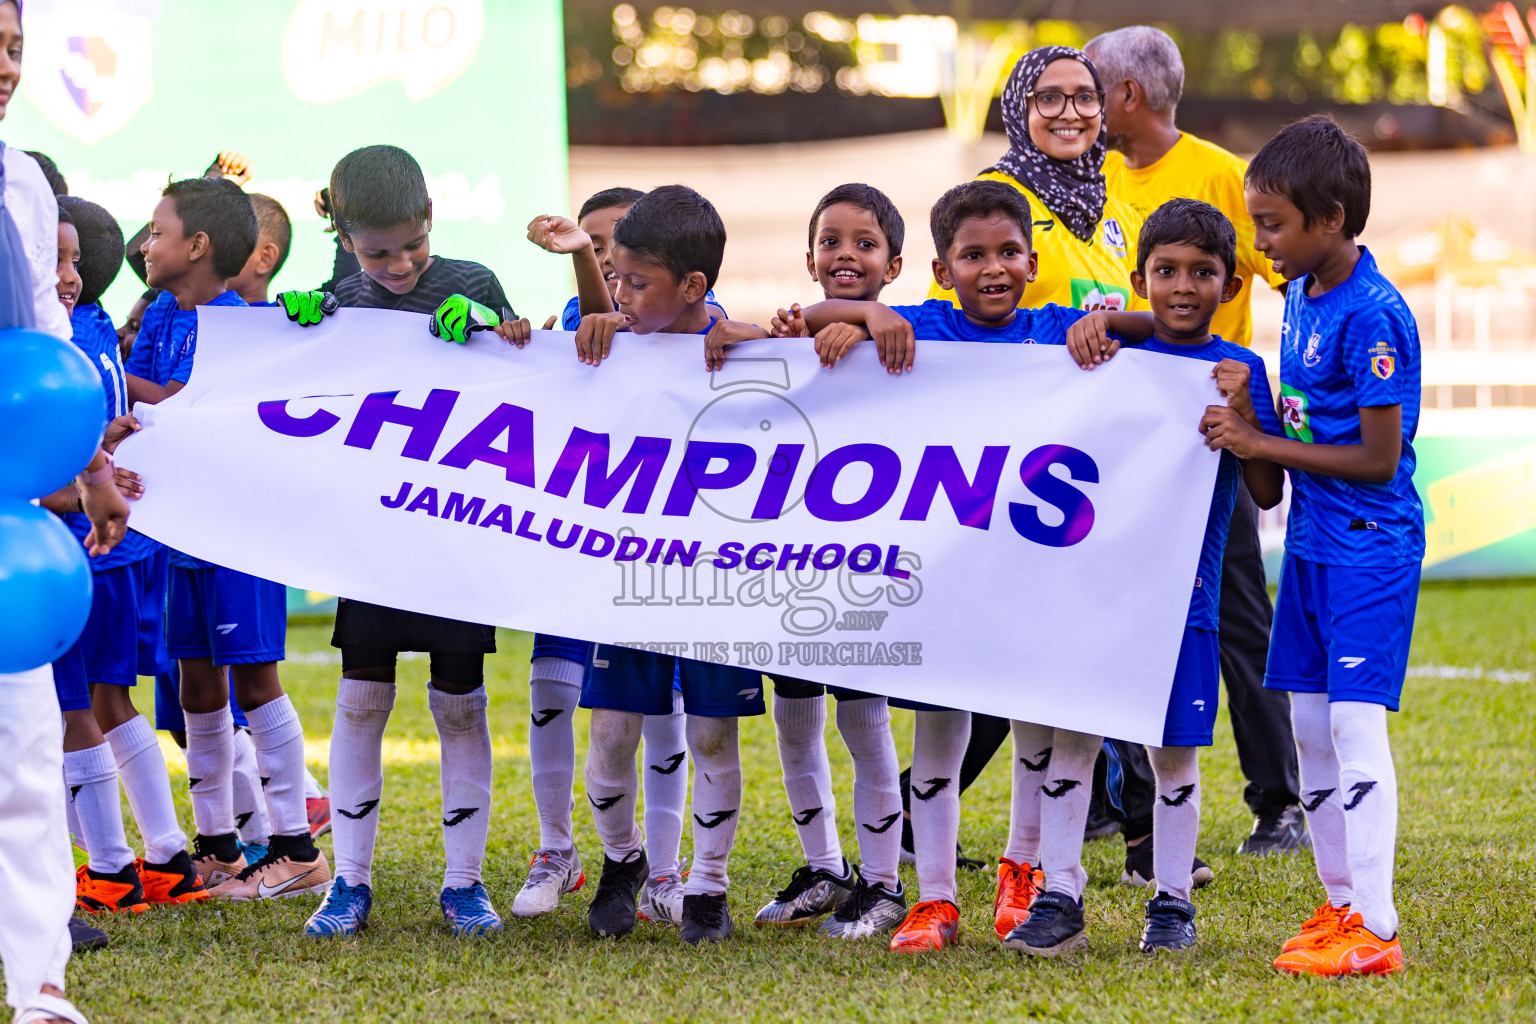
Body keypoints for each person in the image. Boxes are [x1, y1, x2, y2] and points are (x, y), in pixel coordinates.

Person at [790, 180, 1095, 952]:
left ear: (1033, 259)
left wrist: (1109, 330)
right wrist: (868, 314)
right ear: (940, 267)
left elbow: (1147, 336)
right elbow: (807, 317)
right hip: (942, 578)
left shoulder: (1055, 331)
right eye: (972, 255)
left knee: (1033, 730)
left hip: (1029, 576)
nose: (991, 269)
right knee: (938, 733)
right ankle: (934, 898)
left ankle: (1021, 871)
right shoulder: (922, 326)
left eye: (1006, 253)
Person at [1007, 198, 1283, 957]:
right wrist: (1105, 327)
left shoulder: (1238, 370)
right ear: (1139, 278)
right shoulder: (1109, 357)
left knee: (1173, 755)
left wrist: (1247, 425)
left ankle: (1171, 903)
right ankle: (1059, 895)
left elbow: (1266, 494)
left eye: (1203, 272)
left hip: (1182, 600)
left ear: (1231, 286)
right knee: (1074, 741)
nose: (1183, 286)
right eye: (1166, 271)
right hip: (1092, 595)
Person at [286, 144, 531, 940]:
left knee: (461, 708)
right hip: (374, 539)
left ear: (432, 217)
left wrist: (495, 325)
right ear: (347, 238)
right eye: (376, 251)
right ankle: (348, 884)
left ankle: (465, 886)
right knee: (361, 701)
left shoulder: (473, 282)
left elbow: (531, 370)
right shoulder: (342, 295)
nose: (396, 265)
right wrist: (298, 332)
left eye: (411, 245)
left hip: (458, 540)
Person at [1085, 24, 1306, 854]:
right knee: (1107, 607)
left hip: (1213, 432)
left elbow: (1271, 266)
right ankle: (1117, 796)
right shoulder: (1091, 178)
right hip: (1122, 432)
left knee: (1239, 614)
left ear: (1127, 95)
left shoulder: (1218, 172)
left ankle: (1278, 800)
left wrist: (1246, 387)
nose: (1080, 103)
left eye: (1090, 87)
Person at [1232, 116, 1418, 976]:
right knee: (1308, 726)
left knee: (1351, 722)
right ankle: (1339, 903)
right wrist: (1252, 411)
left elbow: (1380, 463)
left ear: (1332, 218)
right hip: (1308, 545)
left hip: (1369, 547)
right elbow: (1274, 467)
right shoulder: (1301, 295)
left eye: (1272, 223)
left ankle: (1374, 928)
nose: (1259, 240)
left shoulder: (1374, 317)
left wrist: (1263, 443)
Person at [125, 178, 331, 905]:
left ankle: (296, 850)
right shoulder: (159, 312)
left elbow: (186, 407)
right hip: (177, 533)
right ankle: (217, 847)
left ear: (198, 247)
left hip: (240, 534)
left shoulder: (251, 326)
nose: (145, 246)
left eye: (156, 232)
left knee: (253, 679)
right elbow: (153, 391)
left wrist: (120, 391)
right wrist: (133, 392)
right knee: (195, 683)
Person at [572, 184, 767, 946]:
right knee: (613, 731)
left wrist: (752, 340)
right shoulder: (604, 339)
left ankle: (708, 885)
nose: (618, 293)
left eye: (633, 281)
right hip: (625, 573)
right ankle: (623, 862)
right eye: (613, 276)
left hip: (715, 578)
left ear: (693, 286)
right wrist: (574, 326)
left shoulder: (743, 346)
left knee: (715, 735)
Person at [515, 186, 698, 924]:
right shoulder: (571, 328)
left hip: (652, 553)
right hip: (573, 547)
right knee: (550, 695)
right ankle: (558, 848)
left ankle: (662, 867)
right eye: (591, 251)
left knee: (659, 712)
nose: (606, 272)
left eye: (615, 253)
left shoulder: (683, 325)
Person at [0, 3, 124, 1019]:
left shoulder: (23, 183)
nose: (6, 67)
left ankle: (39, 980)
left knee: (29, 751)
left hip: (9, 529)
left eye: (13, 48)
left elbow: (47, 341)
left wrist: (91, 467)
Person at [750, 184, 910, 940]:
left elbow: (898, 336)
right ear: (809, 256)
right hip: (794, 564)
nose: (846, 254)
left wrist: (868, 318)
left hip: (867, 569)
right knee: (793, 718)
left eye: (865, 243)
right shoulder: (792, 333)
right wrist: (802, 327)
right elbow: (745, 345)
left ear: (896, 262)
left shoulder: (905, 334)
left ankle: (882, 884)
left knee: (865, 724)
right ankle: (824, 868)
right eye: (831, 241)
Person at [51, 197, 209, 914]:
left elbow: (71, 456)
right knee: (109, 700)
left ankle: (111, 869)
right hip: (116, 547)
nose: (66, 275)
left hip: (89, 546)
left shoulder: (66, 340)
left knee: (72, 706)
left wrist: (84, 483)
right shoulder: (91, 330)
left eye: (73, 261)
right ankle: (168, 857)